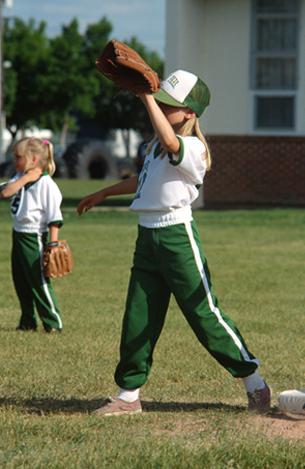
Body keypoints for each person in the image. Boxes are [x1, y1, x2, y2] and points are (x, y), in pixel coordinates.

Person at [77, 70, 270, 415]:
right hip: (146, 236)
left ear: (190, 113)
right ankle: (128, 395)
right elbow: (145, 177)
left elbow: (172, 143)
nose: (161, 109)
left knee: (203, 314)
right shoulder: (153, 146)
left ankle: (254, 382)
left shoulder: (194, 148)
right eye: (160, 102)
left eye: (169, 105)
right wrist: (104, 191)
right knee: (139, 314)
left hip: (176, 237)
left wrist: (145, 95)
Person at [1, 137, 64, 333]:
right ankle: (28, 320)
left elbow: (54, 218)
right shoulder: (19, 179)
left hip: (34, 236)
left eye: (18, 157)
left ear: (34, 159)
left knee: (38, 281)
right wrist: (26, 178)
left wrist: (52, 245)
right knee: (20, 281)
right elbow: (5, 193)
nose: (14, 161)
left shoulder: (47, 184)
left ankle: (53, 323)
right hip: (18, 234)